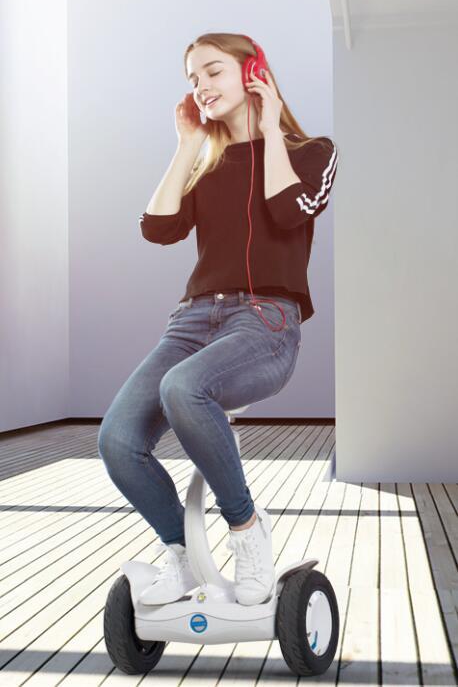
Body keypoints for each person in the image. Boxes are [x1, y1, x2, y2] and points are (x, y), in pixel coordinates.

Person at [97, 32, 338, 607]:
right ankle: (184, 557)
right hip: (192, 321)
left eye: (212, 71)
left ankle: (247, 529)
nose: (200, 86)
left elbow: (289, 210)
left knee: (183, 386)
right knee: (118, 440)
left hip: (265, 323)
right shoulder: (207, 164)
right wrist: (188, 145)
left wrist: (271, 126)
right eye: (192, 78)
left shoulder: (313, 152)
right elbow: (157, 228)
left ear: (253, 72)